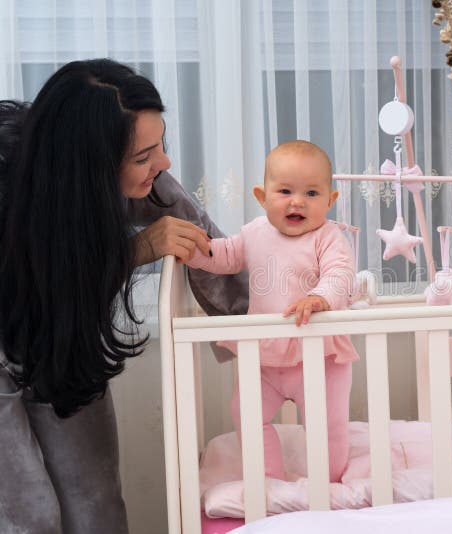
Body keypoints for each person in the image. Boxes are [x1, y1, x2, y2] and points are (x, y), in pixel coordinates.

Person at [0, 59, 247, 533]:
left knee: (95, 503)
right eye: (143, 157)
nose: (164, 163)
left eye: (162, 145)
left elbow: (206, 241)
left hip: (60, 344)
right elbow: (28, 283)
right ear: (88, 168)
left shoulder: (147, 176)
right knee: (29, 516)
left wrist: (260, 327)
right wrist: (132, 250)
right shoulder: (16, 188)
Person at [186, 140, 357, 483]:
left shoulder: (328, 236)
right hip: (263, 358)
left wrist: (320, 297)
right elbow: (225, 256)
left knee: (328, 427)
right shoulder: (253, 234)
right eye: (284, 191)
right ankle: (269, 480)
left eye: (311, 193)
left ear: (330, 200)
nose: (297, 201)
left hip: (318, 357)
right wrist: (193, 250)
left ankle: (331, 483)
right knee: (247, 417)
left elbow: (340, 274)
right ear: (262, 197)